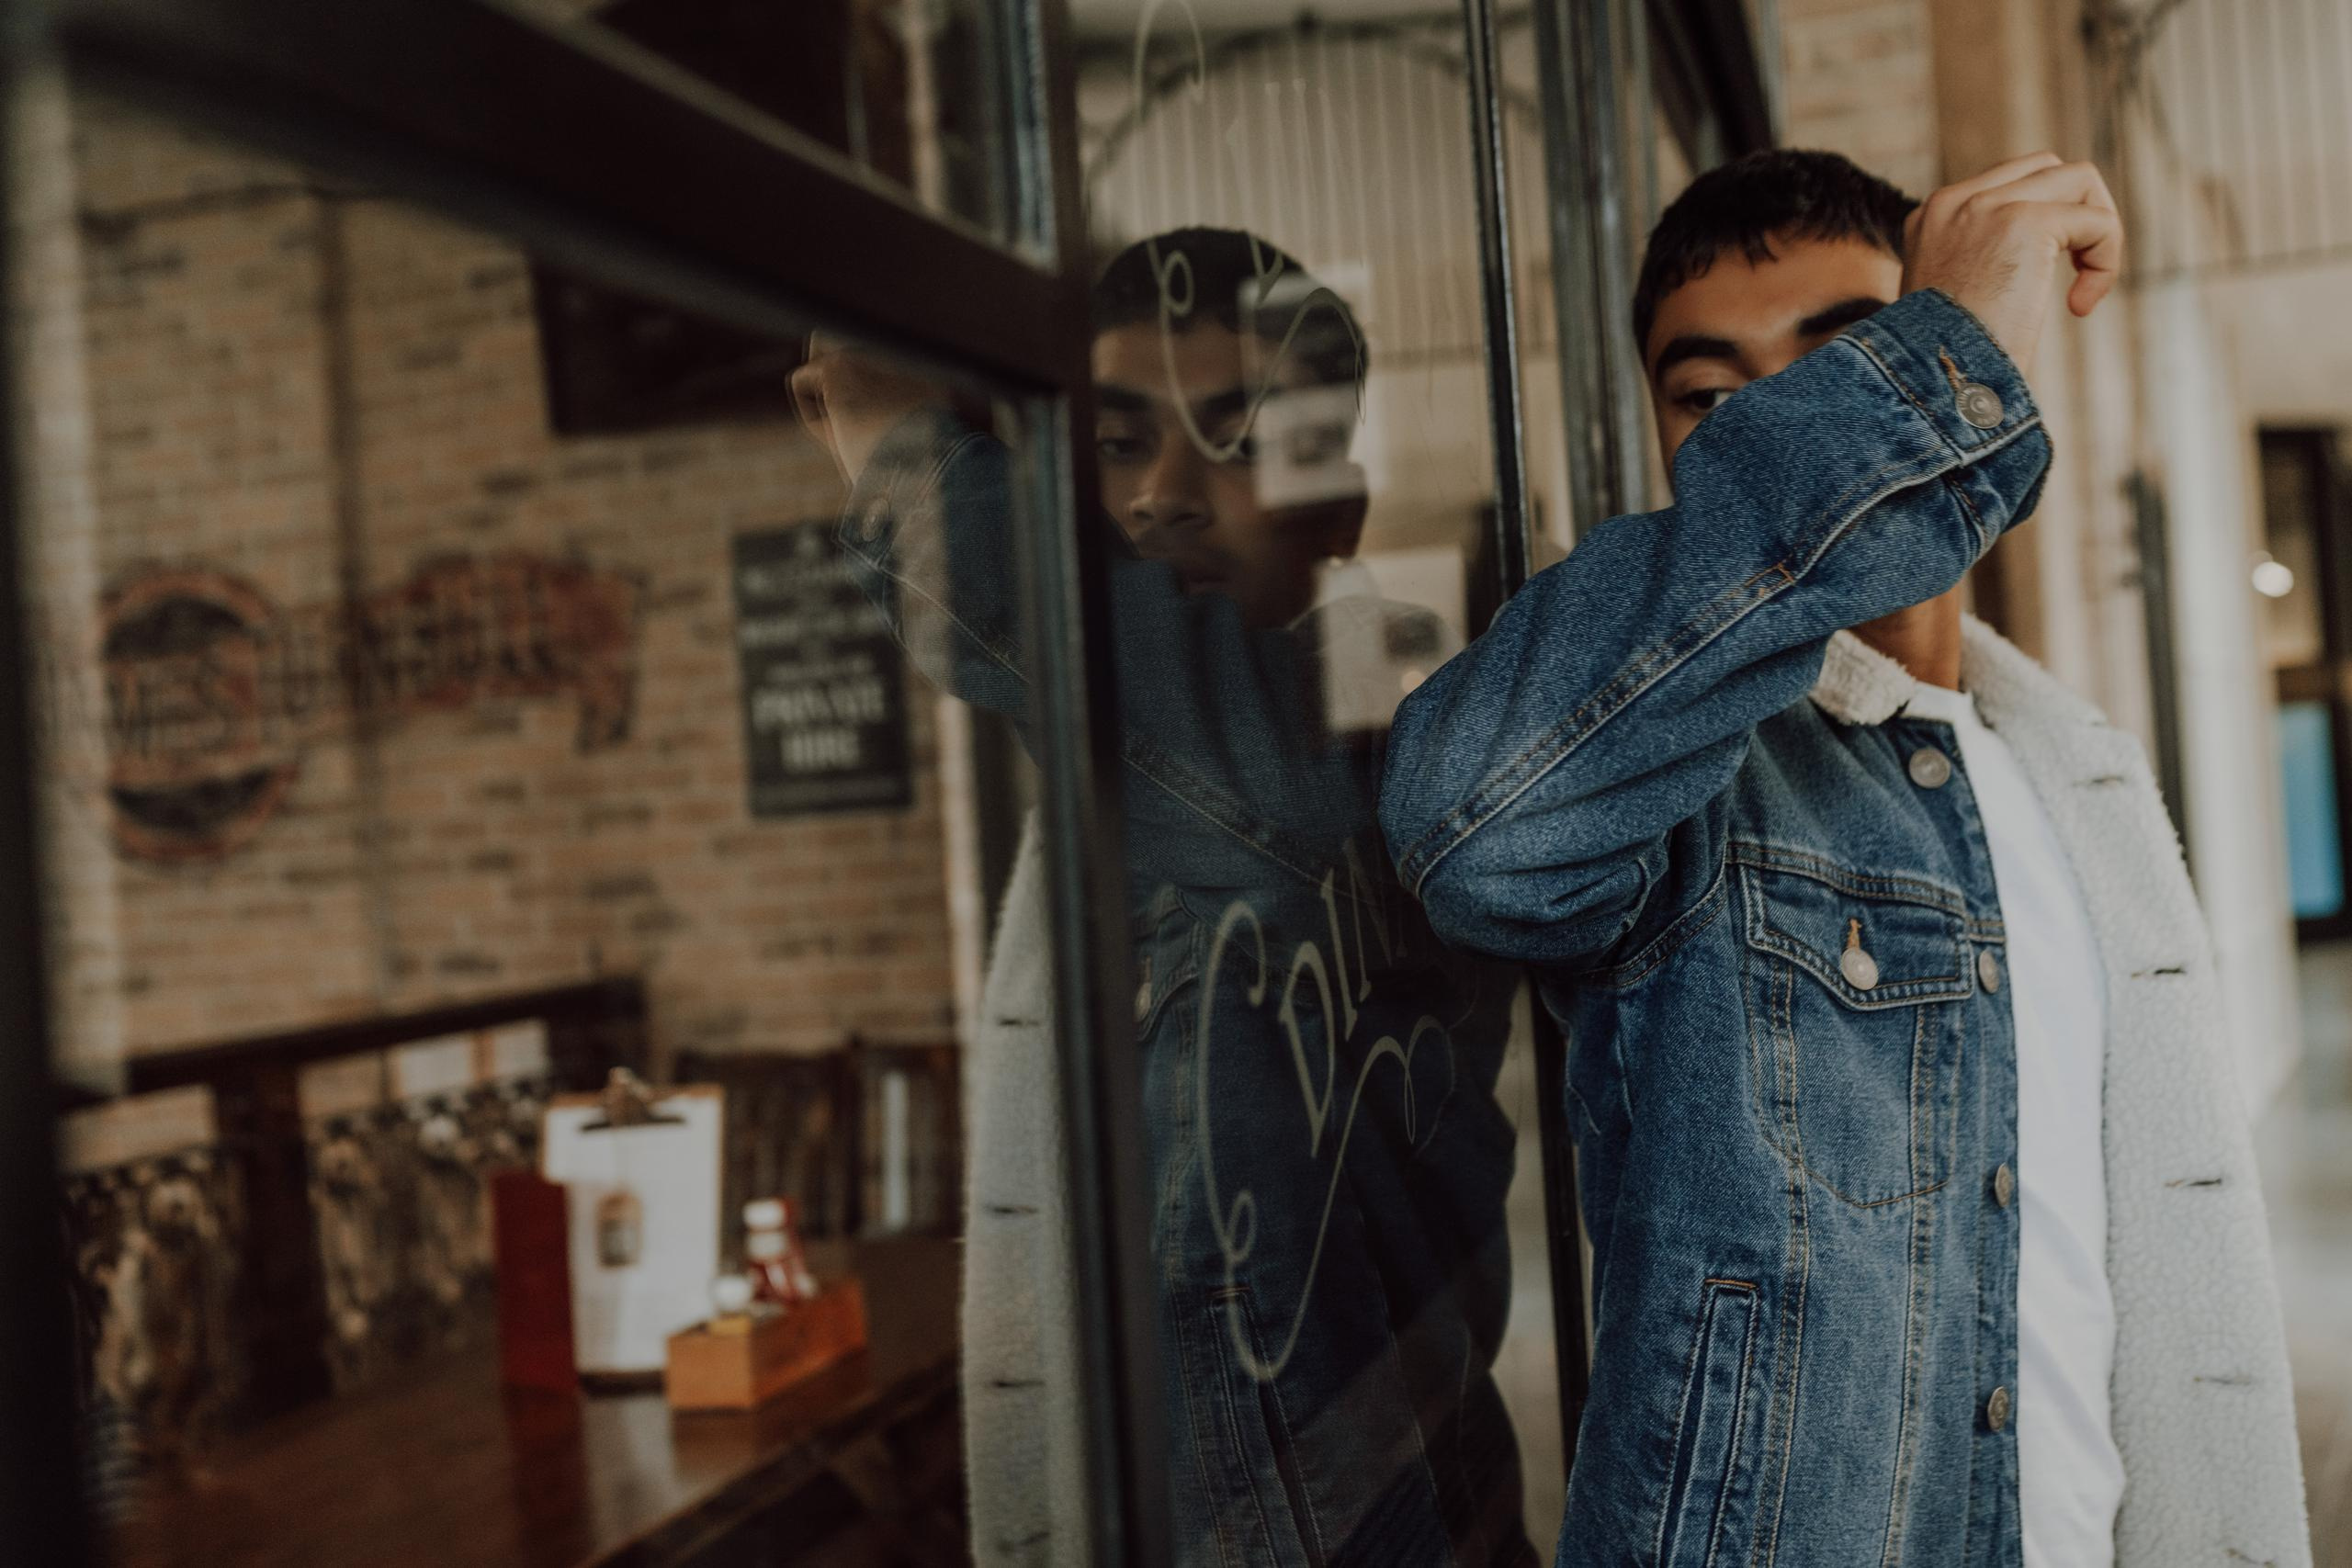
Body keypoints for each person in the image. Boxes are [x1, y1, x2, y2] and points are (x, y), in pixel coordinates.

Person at [1379, 149, 2310, 1568]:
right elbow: (1476, 827)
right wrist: (1923, 381)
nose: (1787, 427)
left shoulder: (2069, 769)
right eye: (1713, 401)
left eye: (1844, 362)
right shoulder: (1677, 782)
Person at [795, 229, 1534, 1566]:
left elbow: (1230, 756)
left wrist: (905, 454)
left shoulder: (1376, 750)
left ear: (1344, 505)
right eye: (1117, 445)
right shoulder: (1161, 777)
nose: (1165, 499)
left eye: (1241, 439)